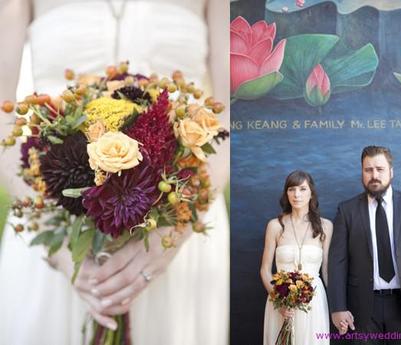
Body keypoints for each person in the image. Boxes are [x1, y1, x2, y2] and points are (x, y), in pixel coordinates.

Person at [0, 1, 229, 344]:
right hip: (50, 220)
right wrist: (62, 251)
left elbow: (234, 114)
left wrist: (171, 235)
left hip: (177, 229)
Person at [328, 146, 401, 344]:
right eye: (368, 170)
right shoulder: (347, 210)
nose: (374, 175)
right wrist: (337, 307)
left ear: (391, 171)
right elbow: (337, 262)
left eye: (379, 169)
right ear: (362, 173)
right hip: (361, 309)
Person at [260, 170, 334, 345]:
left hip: (314, 302)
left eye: (302, 189)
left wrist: (338, 306)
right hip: (280, 302)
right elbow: (264, 269)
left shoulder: (326, 226)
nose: (297, 195)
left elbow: (327, 272)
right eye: (292, 189)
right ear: (286, 193)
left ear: (311, 193)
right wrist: (279, 300)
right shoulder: (275, 226)